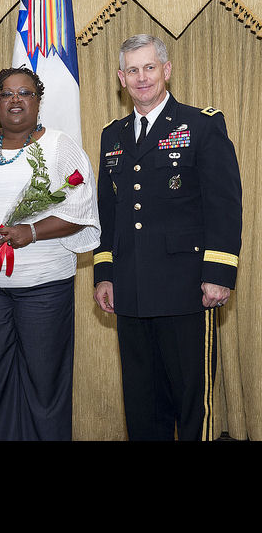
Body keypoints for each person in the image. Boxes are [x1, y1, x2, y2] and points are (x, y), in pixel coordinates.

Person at [93, 34, 242, 441]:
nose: (142, 78)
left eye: (150, 67)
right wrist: (105, 274)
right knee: (142, 402)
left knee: (192, 401)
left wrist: (218, 274)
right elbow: (108, 210)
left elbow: (224, 204)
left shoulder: (201, 124)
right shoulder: (113, 135)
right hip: (131, 289)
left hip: (187, 287)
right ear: (121, 78)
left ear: (167, 70)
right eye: (133, 70)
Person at [0, 67, 100, 440]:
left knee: (44, 383)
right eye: (6, 94)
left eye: (25, 93)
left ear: (38, 102)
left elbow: (81, 210)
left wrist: (32, 231)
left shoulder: (60, 145)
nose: (16, 100)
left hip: (44, 288)